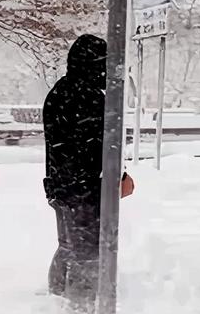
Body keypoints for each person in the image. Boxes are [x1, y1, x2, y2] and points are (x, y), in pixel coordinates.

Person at [43, 34, 134, 311]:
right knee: (87, 251)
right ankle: (80, 306)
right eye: (102, 65)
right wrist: (117, 177)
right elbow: (97, 148)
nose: (105, 72)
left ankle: (57, 294)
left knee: (69, 245)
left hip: (61, 187)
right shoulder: (87, 98)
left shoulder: (60, 91)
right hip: (83, 190)